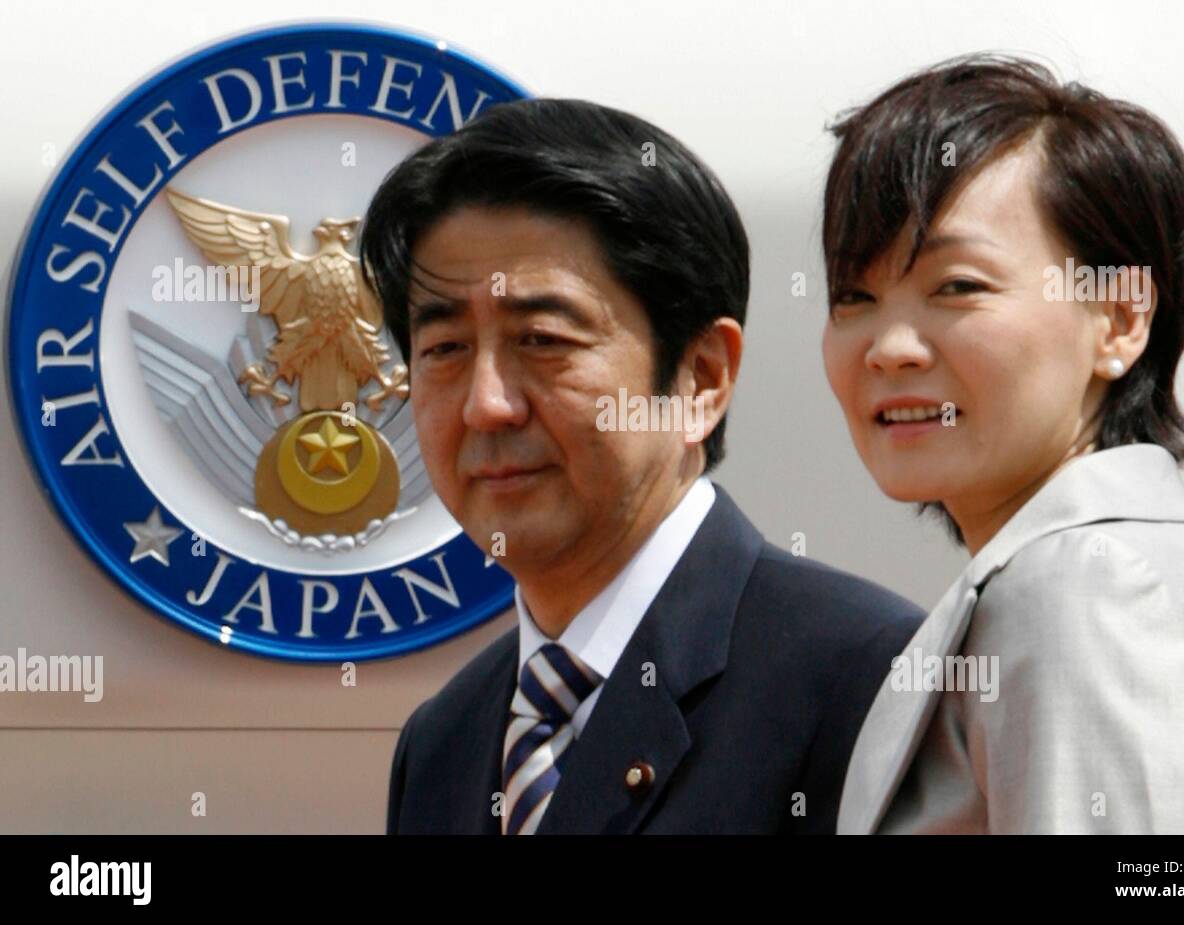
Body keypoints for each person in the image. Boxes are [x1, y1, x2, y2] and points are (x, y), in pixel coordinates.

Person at [362, 97, 923, 834]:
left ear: (701, 377)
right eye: (443, 350)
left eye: (542, 339)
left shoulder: (869, 677)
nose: (486, 405)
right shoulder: (443, 739)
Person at [821, 55, 1184, 833]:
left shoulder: (1083, 587)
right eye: (855, 297)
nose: (890, 346)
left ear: (1117, 319)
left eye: (958, 286)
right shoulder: (1120, 565)